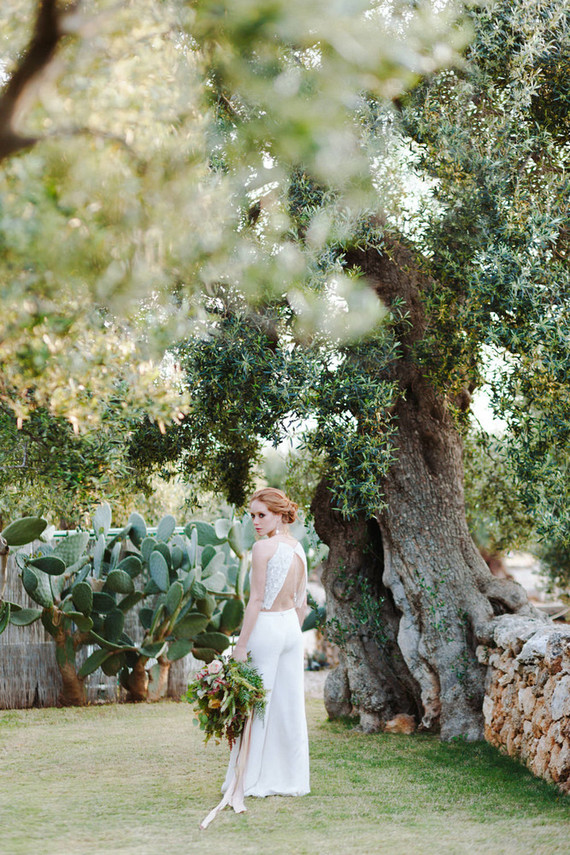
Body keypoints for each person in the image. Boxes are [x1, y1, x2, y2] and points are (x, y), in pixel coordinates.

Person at [221, 488, 310, 807]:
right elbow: (301, 602)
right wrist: (292, 631)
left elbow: (256, 600)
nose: (255, 522)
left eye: (262, 515)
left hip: (269, 628)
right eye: (252, 516)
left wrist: (241, 644)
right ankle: (291, 779)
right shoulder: (298, 548)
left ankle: (249, 779)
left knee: (256, 707)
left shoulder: (263, 548)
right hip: (291, 630)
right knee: (288, 707)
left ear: (280, 515)